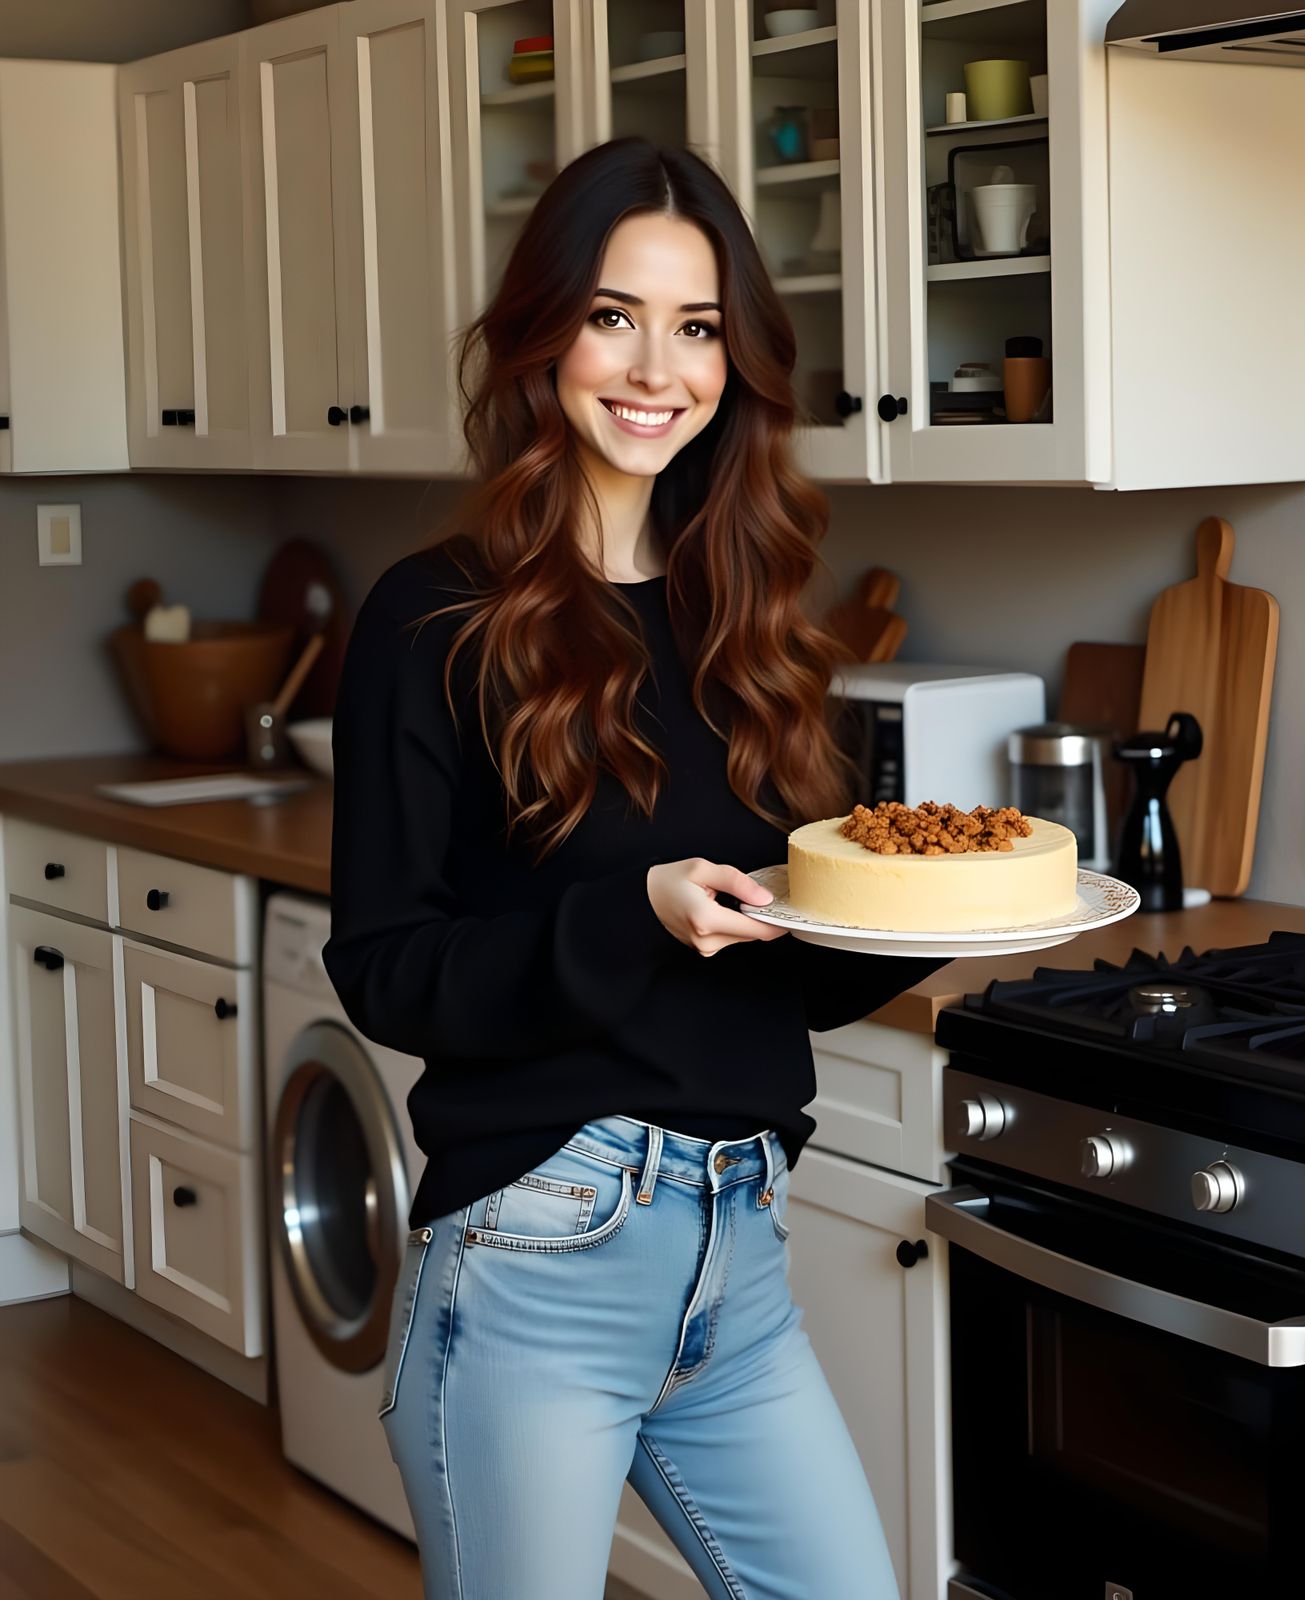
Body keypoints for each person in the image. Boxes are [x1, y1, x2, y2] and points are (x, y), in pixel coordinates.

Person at [321, 136, 951, 1600]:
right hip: (542, 1247)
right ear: (545, 330)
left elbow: (780, 978)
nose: (656, 366)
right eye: (615, 315)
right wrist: (635, 913)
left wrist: (937, 914)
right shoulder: (435, 618)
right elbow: (385, 967)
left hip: (740, 1259)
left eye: (699, 325)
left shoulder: (752, 620)